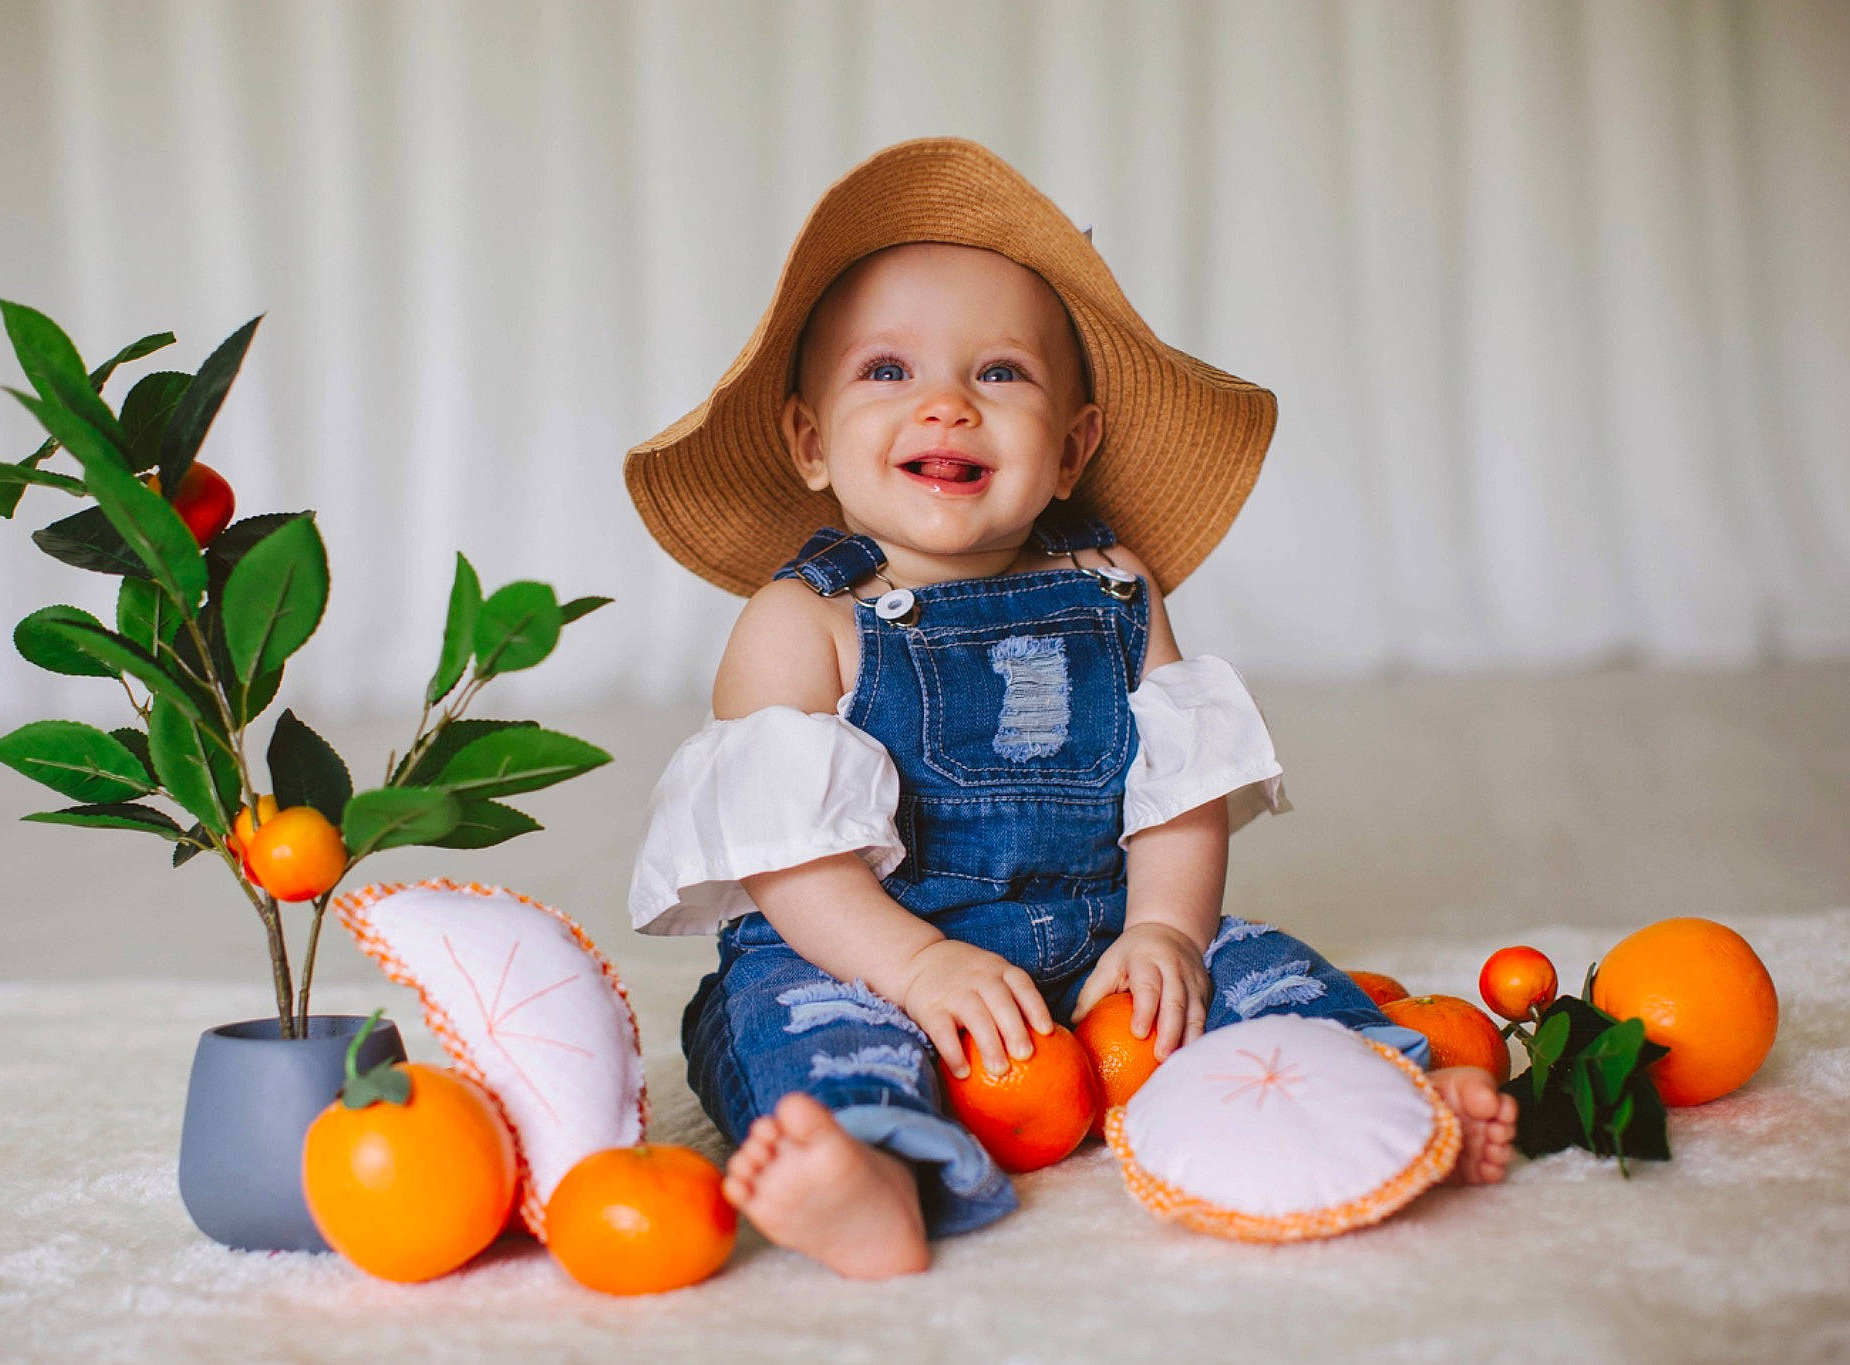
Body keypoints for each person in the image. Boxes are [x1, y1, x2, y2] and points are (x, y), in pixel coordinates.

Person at [623, 138, 1515, 1279]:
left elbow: (1175, 796)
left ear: (1070, 449)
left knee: (1254, 968)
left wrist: (1163, 933)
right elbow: (787, 864)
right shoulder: (801, 622)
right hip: (858, 951)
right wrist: (913, 970)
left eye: (998, 374)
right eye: (886, 371)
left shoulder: (1114, 587)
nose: (944, 404)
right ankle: (870, 1170)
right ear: (808, 440)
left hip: (1095, 932)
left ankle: (1384, 1091)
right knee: (798, 1028)